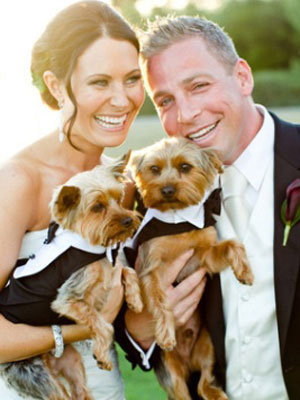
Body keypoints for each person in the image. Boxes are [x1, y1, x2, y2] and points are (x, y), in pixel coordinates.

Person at [0, 3, 206, 399]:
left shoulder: (128, 184)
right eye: (99, 82)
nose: (122, 100)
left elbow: (129, 319)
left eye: (132, 79)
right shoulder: (19, 182)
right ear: (57, 86)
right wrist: (76, 331)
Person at [116, 16, 300, 400]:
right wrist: (139, 327)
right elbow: (129, 315)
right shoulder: (147, 193)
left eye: (198, 86)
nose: (184, 115)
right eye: (165, 100)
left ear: (243, 77)